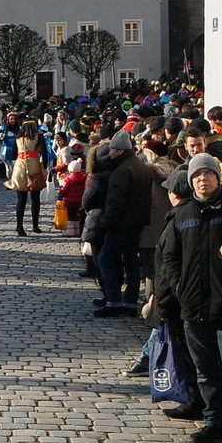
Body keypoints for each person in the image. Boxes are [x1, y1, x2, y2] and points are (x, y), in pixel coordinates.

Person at [157, 154, 222, 442]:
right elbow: (170, 257)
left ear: (217, 177)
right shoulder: (182, 214)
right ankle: (215, 422)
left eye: (208, 173)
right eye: (197, 175)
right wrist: (179, 289)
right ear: (191, 180)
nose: (202, 178)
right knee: (205, 369)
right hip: (192, 305)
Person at [93, 131, 152, 317]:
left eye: (112, 150)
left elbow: (115, 202)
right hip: (137, 223)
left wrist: (105, 223)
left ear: (119, 151)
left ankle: (113, 302)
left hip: (121, 224)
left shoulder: (122, 170)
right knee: (131, 263)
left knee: (105, 259)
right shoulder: (140, 166)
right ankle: (129, 303)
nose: (109, 154)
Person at [2, 118, 51, 235]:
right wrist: (45, 167)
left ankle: (19, 226)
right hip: (34, 165)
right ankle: (35, 226)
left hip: (19, 166)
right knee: (35, 198)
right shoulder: (38, 136)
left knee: (21, 199)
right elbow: (44, 153)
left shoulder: (17, 137)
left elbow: (13, 155)